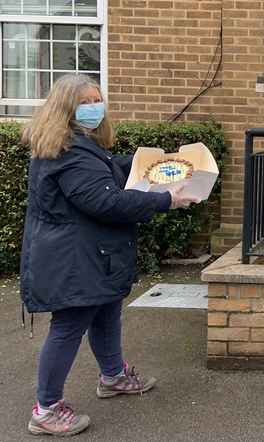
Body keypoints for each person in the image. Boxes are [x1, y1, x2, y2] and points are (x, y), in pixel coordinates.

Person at [20, 74, 198, 436]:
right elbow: (105, 201)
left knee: (105, 311)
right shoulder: (69, 153)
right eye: (85, 102)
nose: (94, 107)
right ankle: (46, 408)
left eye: (97, 99)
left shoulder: (78, 145)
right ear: (66, 108)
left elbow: (111, 168)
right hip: (75, 260)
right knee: (69, 325)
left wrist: (155, 163)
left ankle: (113, 376)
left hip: (89, 255)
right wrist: (166, 199)